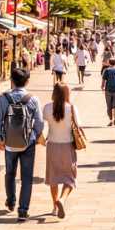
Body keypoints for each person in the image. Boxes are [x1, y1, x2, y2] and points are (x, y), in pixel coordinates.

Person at [0, 67, 44, 221]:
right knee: (27, 176)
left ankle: (11, 201)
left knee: (10, 172)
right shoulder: (33, 99)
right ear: (27, 81)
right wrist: (36, 135)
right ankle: (23, 210)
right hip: (28, 142)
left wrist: (0, 138)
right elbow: (39, 122)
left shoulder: (4, 98)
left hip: (9, 142)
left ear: (11, 81)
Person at [41, 82, 81, 219]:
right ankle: (62, 200)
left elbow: (42, 125)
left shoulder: (47, 108)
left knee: (53, 177)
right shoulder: (71, 108)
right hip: (67, 146)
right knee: (70, 178)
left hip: (52, 146)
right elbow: (79, 125)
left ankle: (54, 206)